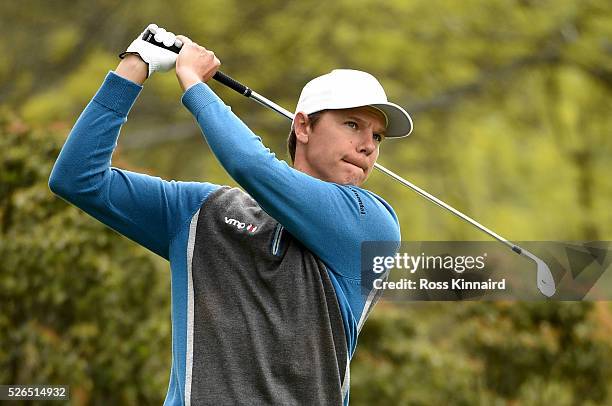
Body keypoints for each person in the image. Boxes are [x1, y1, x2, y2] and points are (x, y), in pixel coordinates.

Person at [49, 24, 413, 405]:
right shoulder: (200, 213)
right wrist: (135, 64)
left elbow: (251, 166)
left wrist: (194, 84)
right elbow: (78, 179)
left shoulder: (371, 223)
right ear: (303, 126)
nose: (367, 146)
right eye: (353, 125)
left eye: (377, 137)